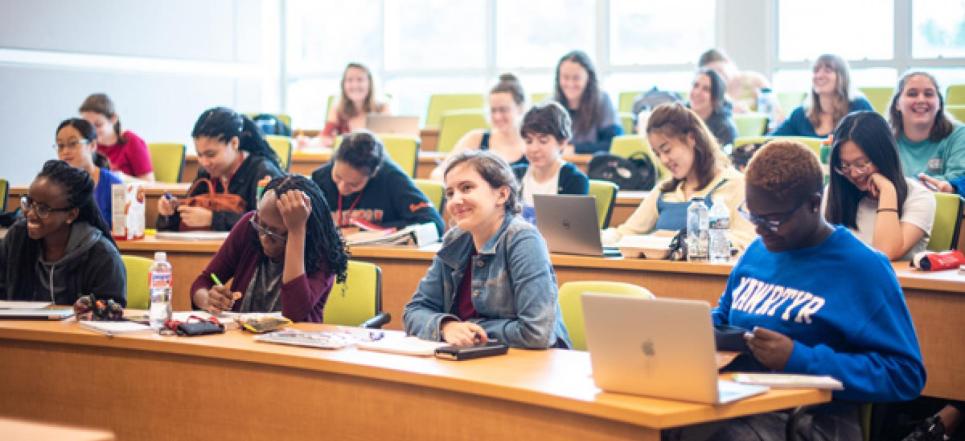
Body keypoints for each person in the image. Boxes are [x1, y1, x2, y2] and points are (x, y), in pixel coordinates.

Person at [677, 140, 925, 440]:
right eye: (752, 216)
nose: (759, 229)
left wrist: (799, 358)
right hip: (743, 400)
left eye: (772, 220)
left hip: (812, 418)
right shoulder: (758, 251)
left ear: (813, 203)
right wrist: (694, 329)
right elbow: (726, 316)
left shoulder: (862, 268)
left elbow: (905, 374)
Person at [403, 151, 570, 349]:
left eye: (466, 188)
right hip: (471, 359)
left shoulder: (524, 240)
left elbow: (538, 332)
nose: (456, 200)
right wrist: (446, 326)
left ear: (501, 194)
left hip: (531, 366)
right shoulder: (455, 239)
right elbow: (414, 311)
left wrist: (472, 328)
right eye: (450, 193)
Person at [190, 175, 348, 322]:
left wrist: (296, 232)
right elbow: (202, 283)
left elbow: (294, 313)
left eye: (274, 233)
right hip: (241, 341)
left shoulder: (322, 248)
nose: (264, 238)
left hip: (295, 346)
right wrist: (208, 300)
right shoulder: (249, 225)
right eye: (261, 226)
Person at [604, 103, 756, 251]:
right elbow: (625, 233)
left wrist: (678, 239)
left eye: (667, 150)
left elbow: (745, 241)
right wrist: (598, 237)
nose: (663, 160)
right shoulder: (665, 190)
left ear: (691, 138)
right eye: (657, 154)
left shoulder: (736, 184)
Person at [0, 160, 126, 306]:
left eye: (43, 209)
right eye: (28, 203)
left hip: (76, 330)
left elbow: (111, 313)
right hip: (18, 329)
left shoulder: (102, 256)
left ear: (71, 215)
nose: (30, 214)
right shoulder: (17, 237)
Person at [824, 112, 935, 261]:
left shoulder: (919, 197)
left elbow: (885, 254)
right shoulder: (833, 192)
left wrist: (888, 192)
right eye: (844, 165)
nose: (854, 173)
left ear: (883, 155)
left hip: (892, 284)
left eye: (861, 164)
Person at [157, 107, 285, 231]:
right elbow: (180, 220)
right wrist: (169, 213)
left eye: (211, 154)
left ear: (234, 143)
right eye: (199, 155)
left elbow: (266, 225)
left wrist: (213, 219)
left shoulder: (262, 172)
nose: (204, 162)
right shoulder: (206, 173)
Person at [311, 131, 444, 234]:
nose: (342, 188)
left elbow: (434, 223)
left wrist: (374, 230)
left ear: (373, 174)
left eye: (354, 184)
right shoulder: (320, 177)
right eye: (338, 177)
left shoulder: (392, 178)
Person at [430, 73, 528, 181]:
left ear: (521, 108)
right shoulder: (475, 138)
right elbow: (439, 172)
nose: (497, 116)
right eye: (493, 110)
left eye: (503, 110)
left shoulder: (531, 144)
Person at [887, 71, 965, 192]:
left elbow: (959, 178)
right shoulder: (884, 137)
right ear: (897, 103)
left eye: (929, 94)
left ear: (940, 103)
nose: (921, 100)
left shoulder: (959, 134)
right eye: (912, 94)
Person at [512, 102, 589, 223]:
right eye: (528, 141)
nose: (534, 149)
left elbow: (572, 231)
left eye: (543, 141)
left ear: (562, 142)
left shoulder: (574, 180)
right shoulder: (514, 175)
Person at [770, 54, 873, 138]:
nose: (819, 76)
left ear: (842, 77)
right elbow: (767, 142)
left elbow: (879, 142)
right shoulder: (800, 114)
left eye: (828, 70)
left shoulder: (859, 108)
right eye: (816, 71)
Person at [54, 118, 123, 229]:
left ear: (92, 145)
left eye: (72, 144)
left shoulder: (114, 184)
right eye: (60, 146)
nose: (65, 151)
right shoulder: (53, 185)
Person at [553, 50, 623, 154]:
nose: (570, 84)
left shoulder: (603, 101)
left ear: (588, 78)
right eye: (565, 77)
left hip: (595, 167)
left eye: (576, 78)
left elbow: (613, 144)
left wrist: (574, 149)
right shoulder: (552, 105)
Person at [79, 93, 155, 181]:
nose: (92, 131)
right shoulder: (86, 145)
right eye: (88, 126)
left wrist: (120, 178)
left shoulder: (132, 142)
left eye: (98, 125)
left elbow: (149, 183)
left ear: (113, 119)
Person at [320, 63, 391, 147]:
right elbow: (324, 138)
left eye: (360, 80)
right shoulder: (337, 110)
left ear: (369, 84)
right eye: (349, 80)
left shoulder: (382, 108)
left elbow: (389, 141)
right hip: (347, 159)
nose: (355, 85)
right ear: (343, 85)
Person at [698, 48, 773, 115]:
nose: (718, 78)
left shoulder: (756, 81)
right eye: (713, 76)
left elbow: (776, 116)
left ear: (728, 63)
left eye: (720, 71)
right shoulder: (708, 92)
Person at [689, 68, 738, 147]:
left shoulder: (725, 128)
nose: (697, 92)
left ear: (716, 97)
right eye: (695, 85)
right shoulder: (679, 117)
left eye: (706, 89)